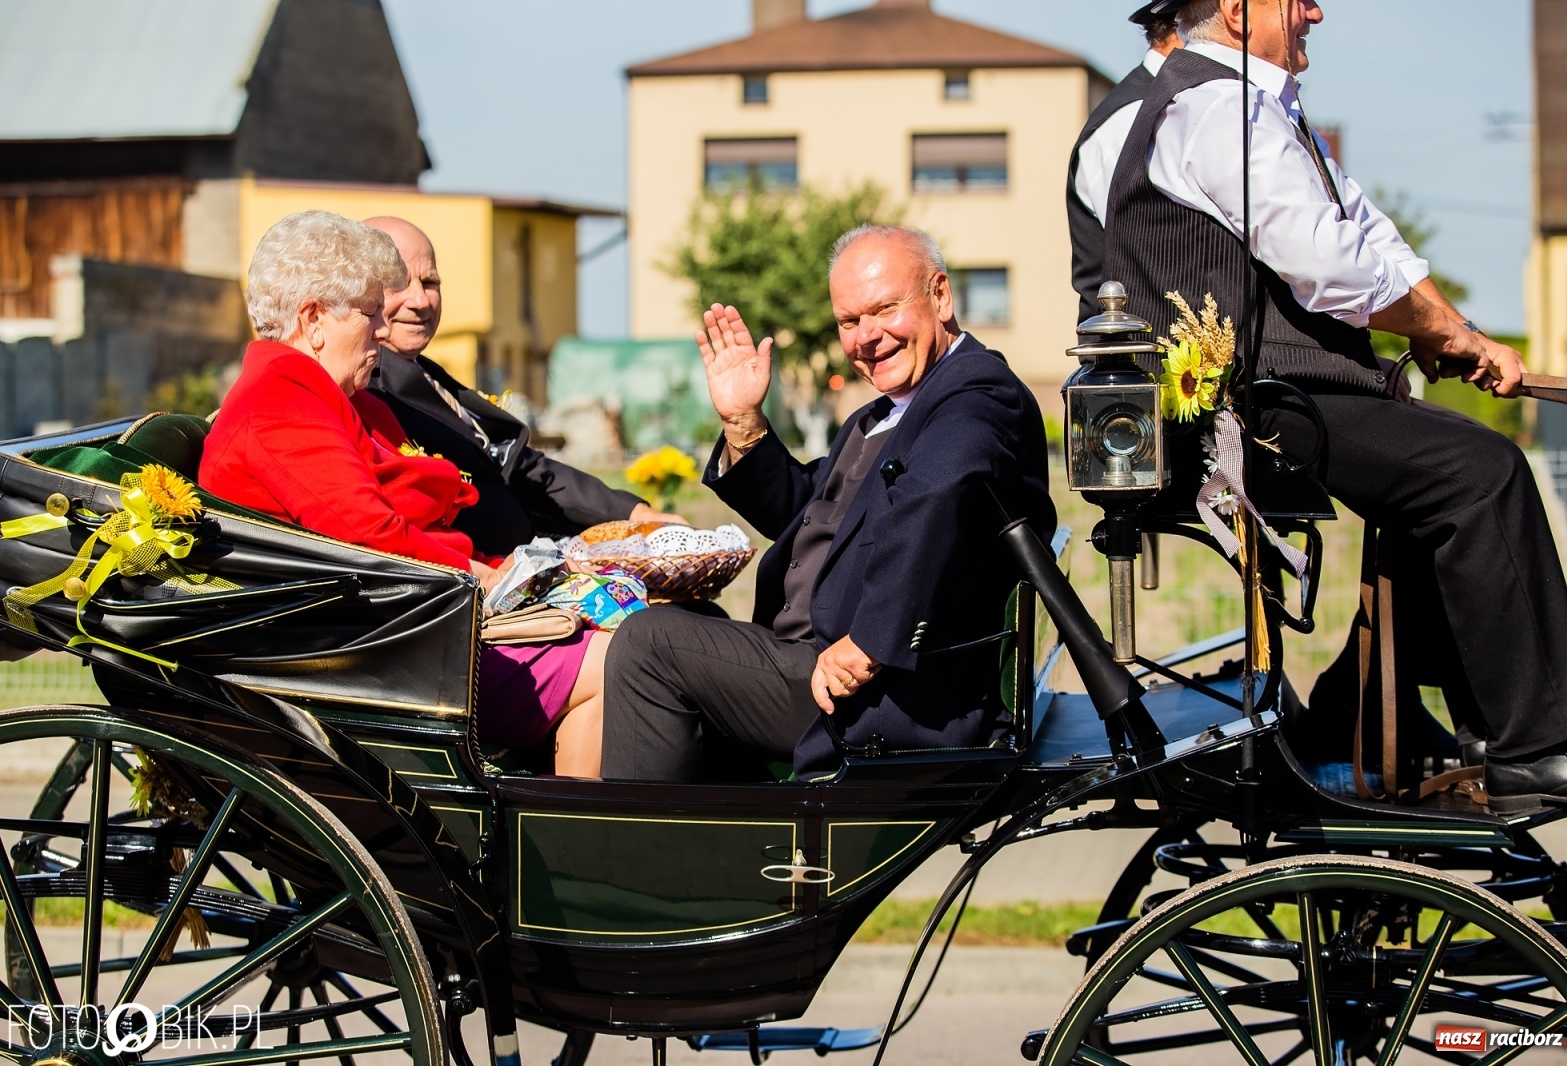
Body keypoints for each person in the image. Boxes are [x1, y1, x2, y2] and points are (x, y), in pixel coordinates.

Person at [1097, 0, 1567, 808]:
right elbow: (1326, 264)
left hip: (1294, 388)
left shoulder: (1259, 107)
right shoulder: (1216, 110)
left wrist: (1457, 330)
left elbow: (1369, 232)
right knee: (1484, 474)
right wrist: (1447, 331)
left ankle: (1386, 717)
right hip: (1258, 406)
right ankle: (1537, 745)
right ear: (1236, 9)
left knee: (1444, 482)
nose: (1316, 13)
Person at [599, 226, 1056, 783]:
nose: (867, 335)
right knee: (683, 620)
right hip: (814, 661)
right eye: (848, 321)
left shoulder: (979, 393)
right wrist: (743, 422)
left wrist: (867, 643)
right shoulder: (883, 413)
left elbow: (936, 494)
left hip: (886, 693)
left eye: (885, 309)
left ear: (940, 296)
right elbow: (811, 512)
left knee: (649, 643)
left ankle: (635, 853)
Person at [199, 210, 608, 777]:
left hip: (407, 628)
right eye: (368, 313)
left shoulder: (327, 397)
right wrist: (486, 573)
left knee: (627, 639)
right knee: (619, 666)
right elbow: (371, 537)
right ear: (313, 319)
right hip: (378, 655)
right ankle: (572, 856)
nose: (381, 330)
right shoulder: (280, 404)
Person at [360, 216, 681, 559]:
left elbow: (521, 465)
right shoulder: (364, 389)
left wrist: (636, 514)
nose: (421, 300)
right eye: (398, 282)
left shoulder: (425, 375)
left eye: (430, 281)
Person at [1067, 0, 1184, 324]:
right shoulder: (1133, 119)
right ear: (1185, 26)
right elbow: (1147, 260)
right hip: (1144, 360)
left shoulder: (1164, 108)